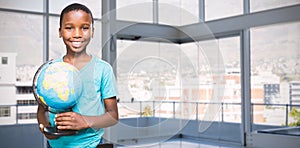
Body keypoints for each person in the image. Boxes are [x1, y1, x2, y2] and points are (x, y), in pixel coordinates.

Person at [37, 3, 119, 148]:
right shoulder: (51, 70)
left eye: (85, 28)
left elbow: (113, 116)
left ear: (92, 32)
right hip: (55, 145)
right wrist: (46, 129)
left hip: (91, 145)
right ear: (60, 32)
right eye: (69, 28)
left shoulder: (103, 69)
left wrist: (85, 121)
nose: (77, 34)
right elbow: (42, 110)